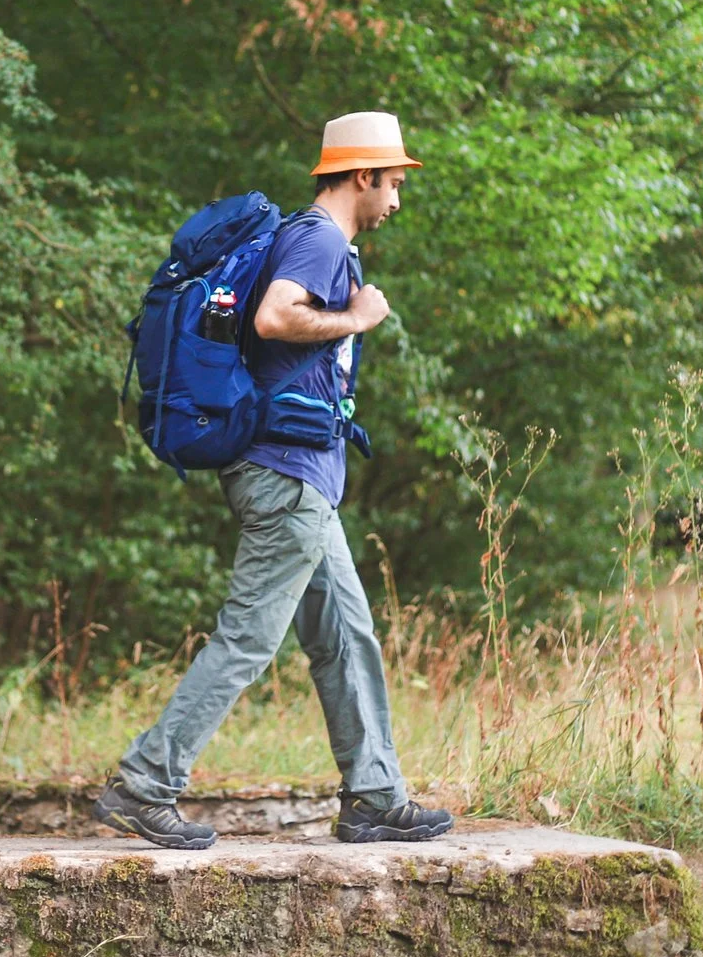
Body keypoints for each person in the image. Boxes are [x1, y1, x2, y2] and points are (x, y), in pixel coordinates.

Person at [95, 112, 454, 851]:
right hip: (284, 477)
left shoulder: (316, 238)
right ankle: (145, 781)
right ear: (362, 176)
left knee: (347, 634)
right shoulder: (321, 239)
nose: (397, 198)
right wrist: (357, 316)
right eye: (393, 182)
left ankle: (375, 797)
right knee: (249, 638)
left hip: (304, 479)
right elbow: (274, 316)